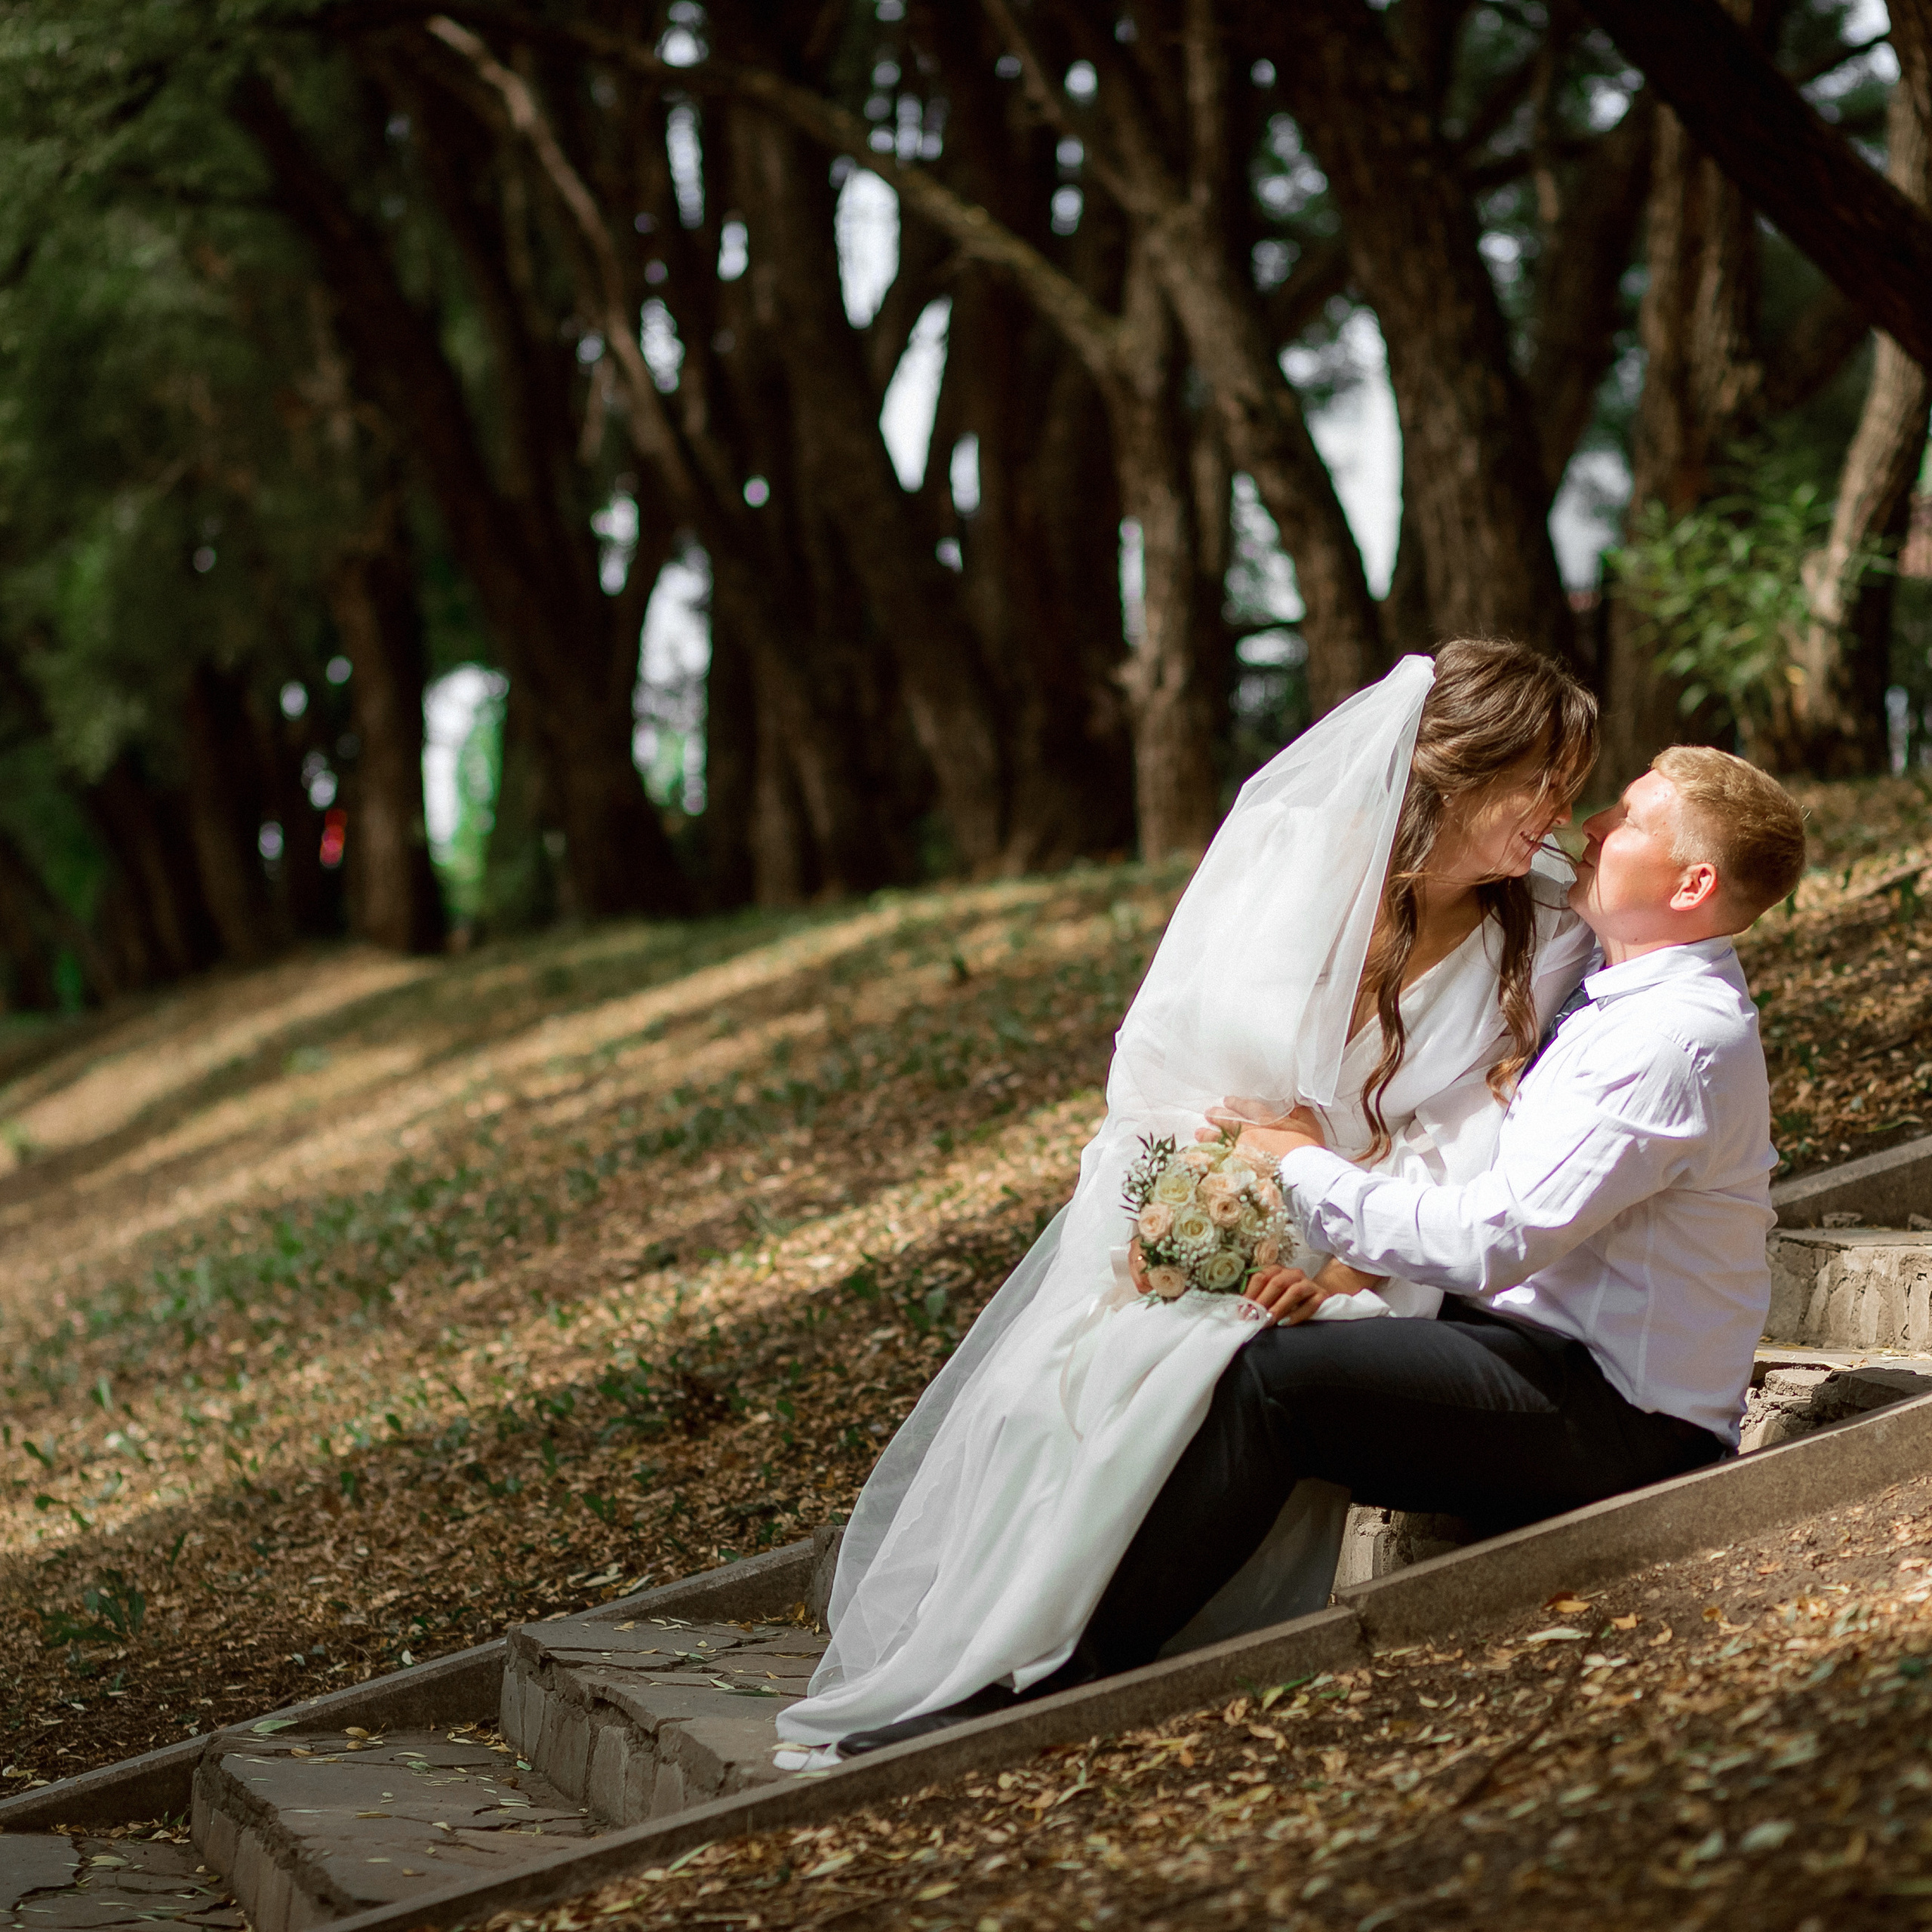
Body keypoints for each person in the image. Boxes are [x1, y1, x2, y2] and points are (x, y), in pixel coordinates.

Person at [775, 641, 1600, 1763]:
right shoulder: (1292, 857)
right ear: (1455, 770)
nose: (1560, 815)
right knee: (1072, 1387)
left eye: (1570, 787)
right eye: (1541, 782)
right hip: (1202, 1193)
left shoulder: (1545, 929)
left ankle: (1070, 1674)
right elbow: (1160, 1066)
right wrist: (1182, 1215)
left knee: (1199, 1378)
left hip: (1367, 1232)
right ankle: (990, 1663)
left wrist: (1338, 1265)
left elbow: (1458, 1139)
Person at [1048, 746, 1808, 1684]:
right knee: (1207, 1337)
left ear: (1692, 885)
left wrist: (1298, 1161)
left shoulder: (1671, 1038)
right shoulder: (1621, 997)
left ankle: (1081, 1676)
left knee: (1272, 1384)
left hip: (1621, 1417)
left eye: (1628, 818)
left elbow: (1494, 1240)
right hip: (1533, 1350)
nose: (1593, 825)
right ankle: (1047, 1624)